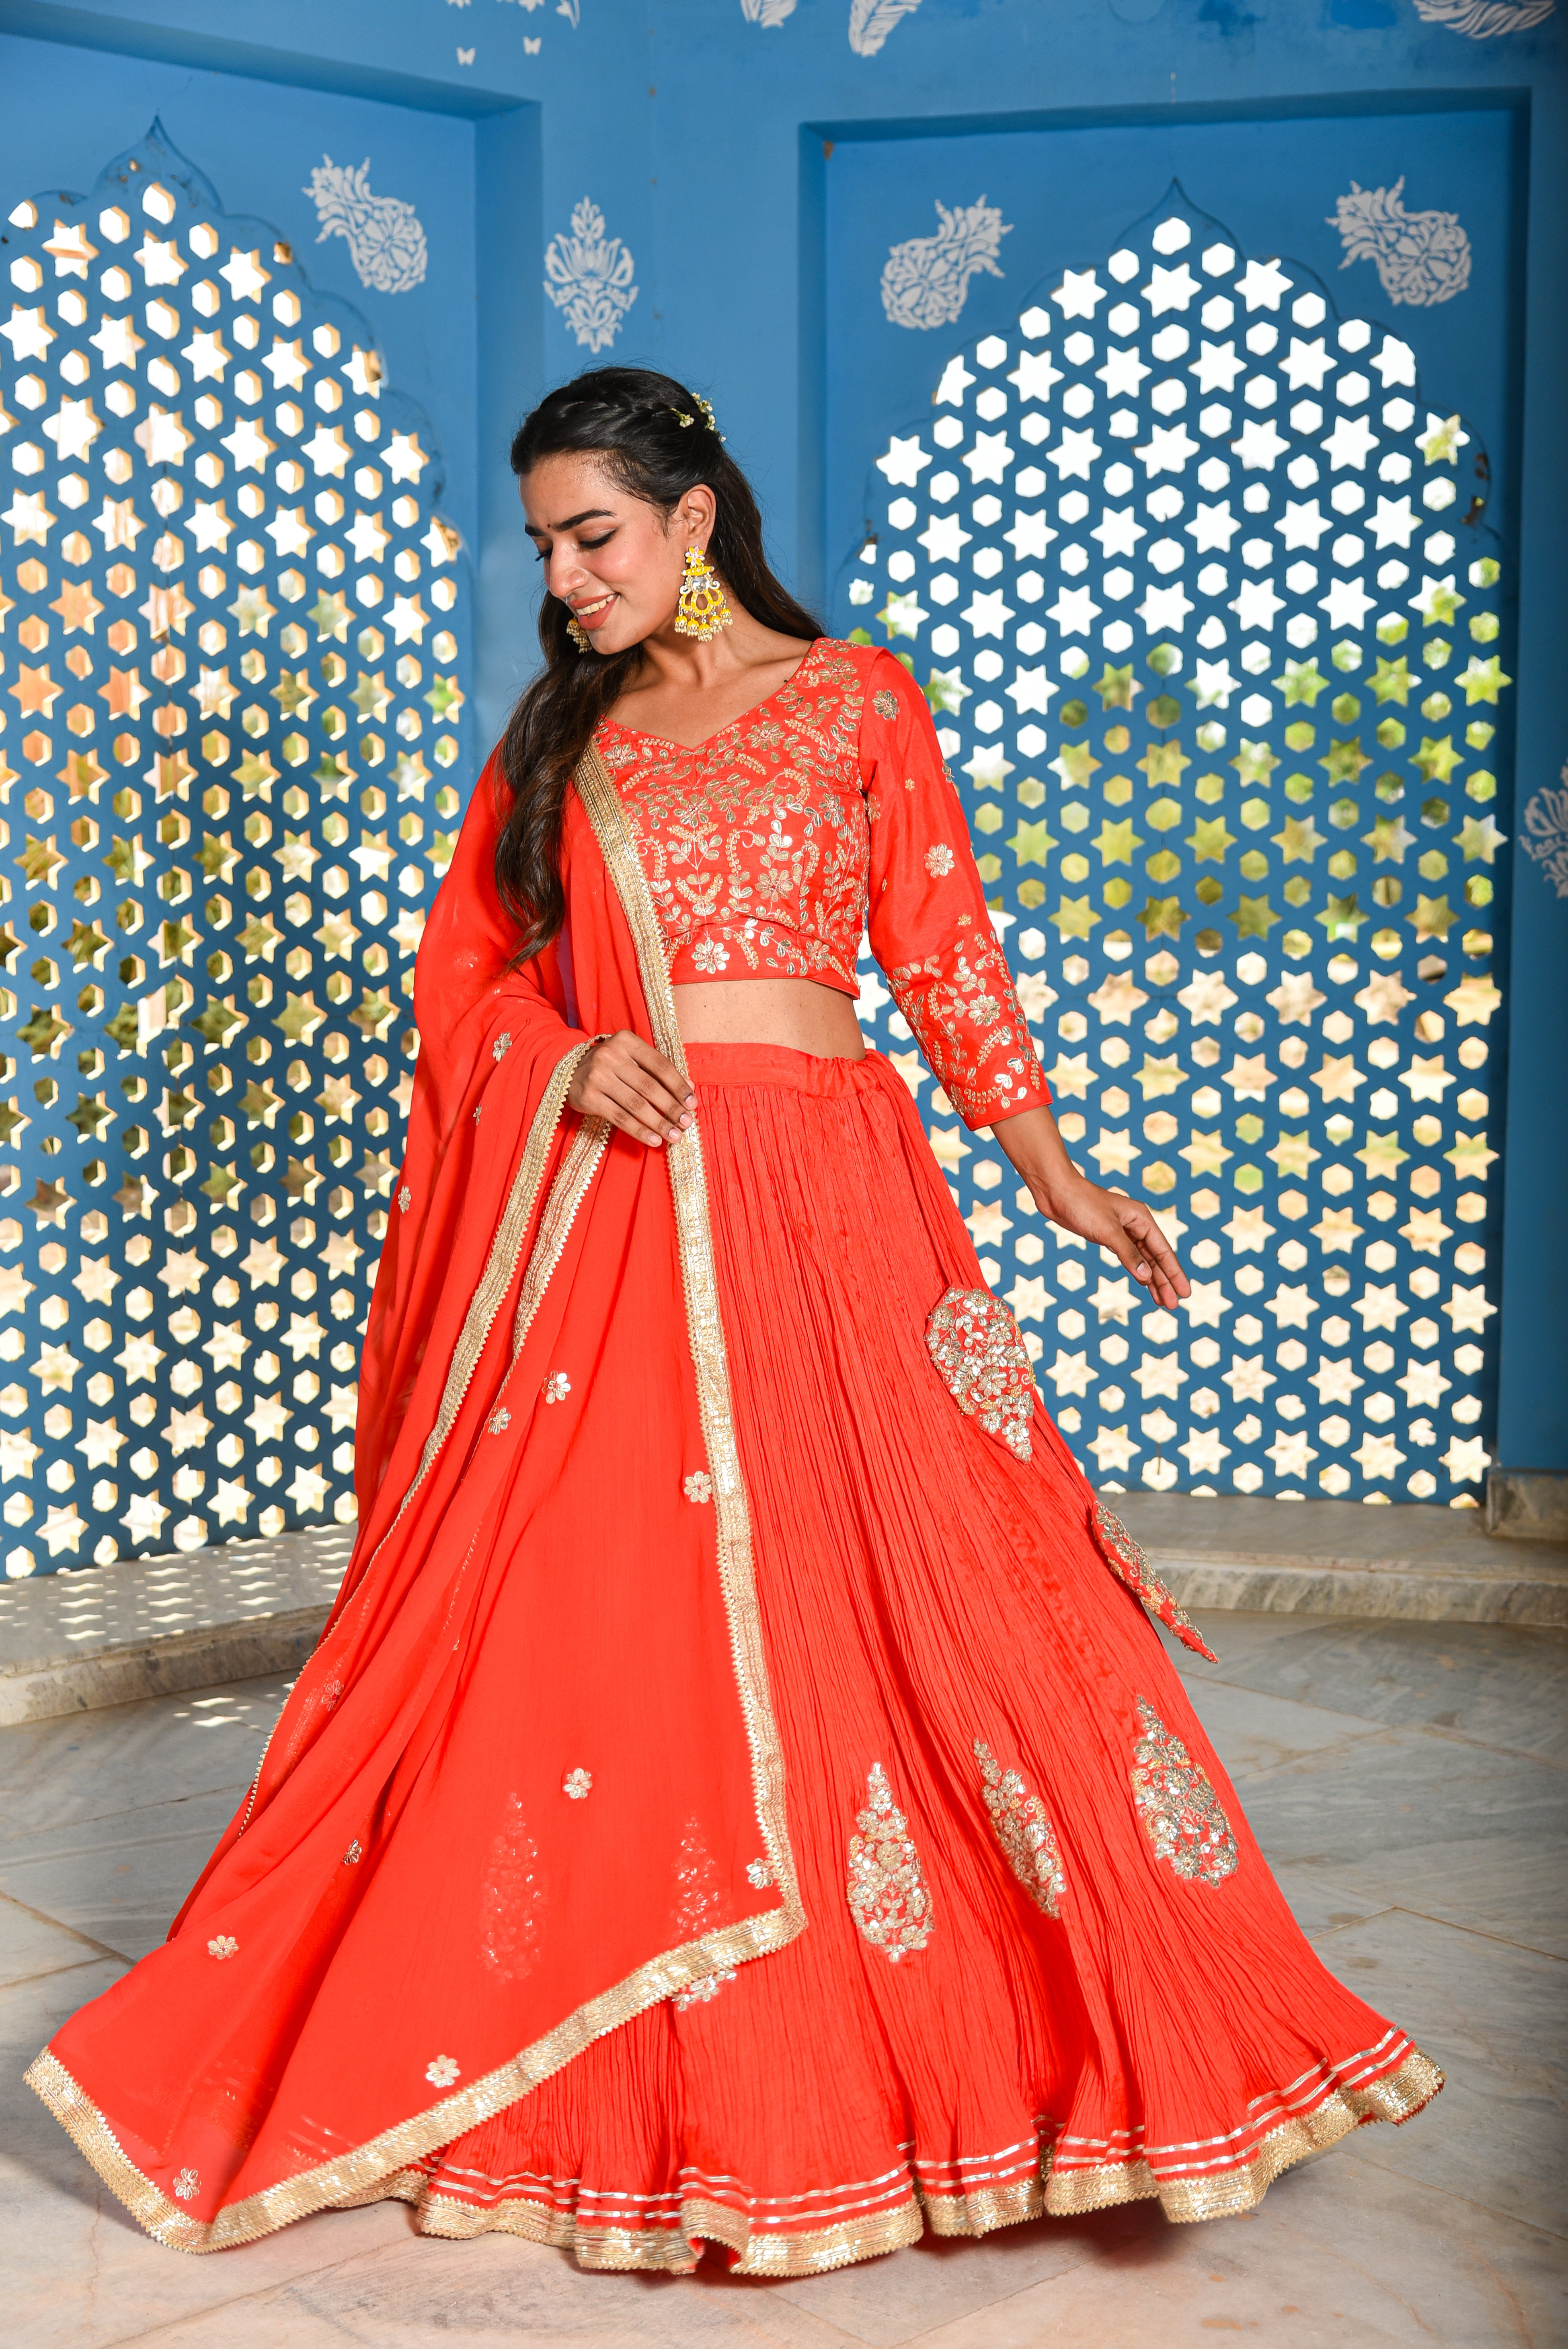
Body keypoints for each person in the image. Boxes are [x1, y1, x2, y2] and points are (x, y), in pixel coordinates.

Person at [27, 367, 1439, 2274]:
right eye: (542, 543)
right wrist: (573, 1054)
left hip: (837, 1203)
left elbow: (942, 955)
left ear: (693, 523)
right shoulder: (568, 737)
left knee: (946, 1601)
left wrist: (1050, 1175)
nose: (567, 574)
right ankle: (639, 2063)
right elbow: (474, 982)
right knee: (611, 1627)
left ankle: (1074, 2045)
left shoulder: (855, 698)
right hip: (628, 1218)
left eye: (593, 535)